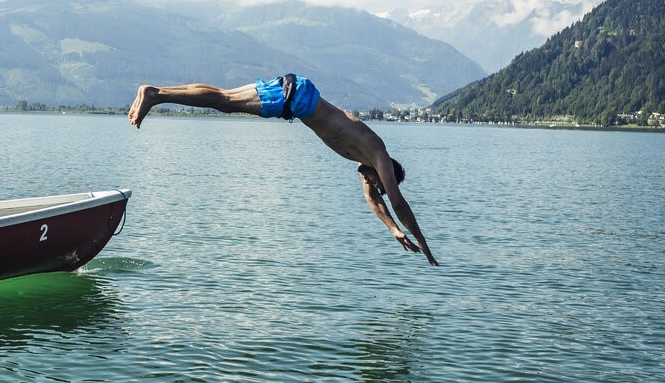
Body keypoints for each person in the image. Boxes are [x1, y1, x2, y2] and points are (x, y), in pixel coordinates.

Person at [128, 74, 439, 265]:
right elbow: (395, 202)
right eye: (381, 183)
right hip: (296, 99)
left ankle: (156, 93)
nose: (372, 184)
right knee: (224, 100)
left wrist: (394, 229)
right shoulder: (379, 154)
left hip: (297, 93)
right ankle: (155, 94)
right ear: (388, 174)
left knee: (224, 98)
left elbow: (375, 202)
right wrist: (424, 243)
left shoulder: (364, 160)